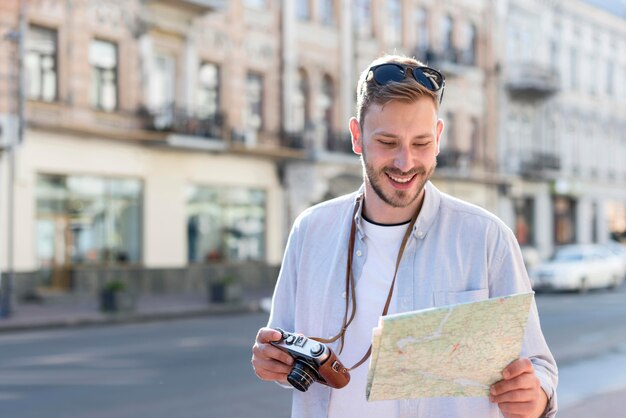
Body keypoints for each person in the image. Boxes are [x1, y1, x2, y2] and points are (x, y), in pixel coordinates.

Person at [251, 54, 558, 418]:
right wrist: (271, 362)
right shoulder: (310, 229)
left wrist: (535, 395)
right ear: (356, 136)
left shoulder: (488, 238)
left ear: (439, 138)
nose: (405, 162)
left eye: (421, 143)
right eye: (388, 142)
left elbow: (539, 367)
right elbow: (285, 354)